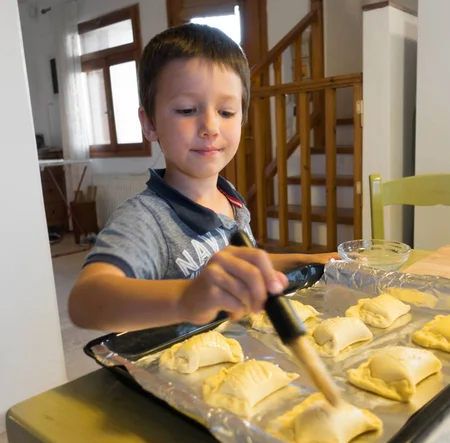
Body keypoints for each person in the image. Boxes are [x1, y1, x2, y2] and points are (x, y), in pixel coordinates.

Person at [68, 23, 336, 332]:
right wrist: (186, 298)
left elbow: (244, 266)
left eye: (226, 112)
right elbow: (84, 303)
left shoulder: (230, 198)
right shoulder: (146, 220)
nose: (210, 126)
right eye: (186, 109)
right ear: (150, 124)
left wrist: (313, 260)